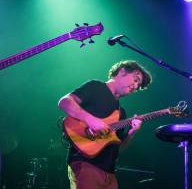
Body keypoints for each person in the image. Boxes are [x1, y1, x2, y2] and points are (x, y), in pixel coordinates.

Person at [58, 60, 152, 189]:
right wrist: (91, 120)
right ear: (122, 71)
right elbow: (64, 102)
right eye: (135, 79)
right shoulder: (96, 87)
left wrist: (131, 133)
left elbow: (117, 149)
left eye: (138, 85)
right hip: (85, 165)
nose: (135, 86)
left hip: (110, 174)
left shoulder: (121, 113)